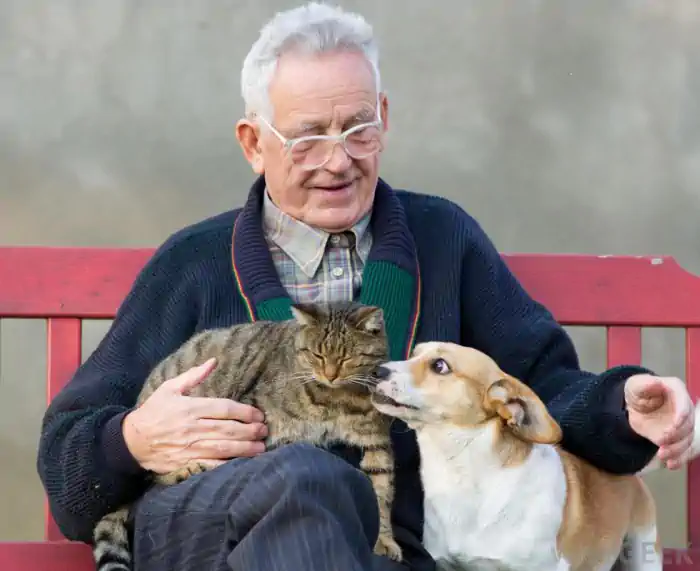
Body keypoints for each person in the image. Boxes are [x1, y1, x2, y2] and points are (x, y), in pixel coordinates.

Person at [36, 3, 696, 571]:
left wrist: (624, 406)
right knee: (308, 480)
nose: (338, 158)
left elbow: (540, 390)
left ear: (384, 116)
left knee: (330, 498)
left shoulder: (446, 240)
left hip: (390, 550)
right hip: (212, 528)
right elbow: (68, 465)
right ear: (251, 144)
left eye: (358, 128)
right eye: (307, 137)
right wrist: (133, 438)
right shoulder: (193, 264)